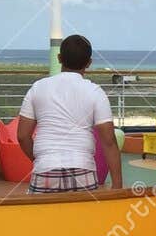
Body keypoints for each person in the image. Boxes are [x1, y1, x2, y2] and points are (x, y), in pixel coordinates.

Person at [17, 33, 123, 193]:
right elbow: (109, 141)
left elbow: (23, 136)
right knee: (83, 218)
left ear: (59, 58)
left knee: (44, 218)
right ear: (89, 63)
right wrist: (117, 187)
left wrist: (42, 160)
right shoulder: (96, 92)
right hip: (83, 169)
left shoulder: (37, 88)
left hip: (45, 169)